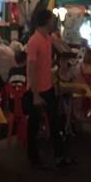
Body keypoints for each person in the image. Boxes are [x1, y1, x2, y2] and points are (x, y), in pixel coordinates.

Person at [25, 9, 71, 168]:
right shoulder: (34, 41)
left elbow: (64, 50)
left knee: (55, 122)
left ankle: (59, 155)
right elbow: (30, 69)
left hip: (48, 87)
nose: (54, 21)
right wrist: (35, 94)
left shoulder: (48, 38)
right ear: (45, 21)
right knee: (34, 125)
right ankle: (33, 158)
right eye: (52, 19)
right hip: (37, 89)